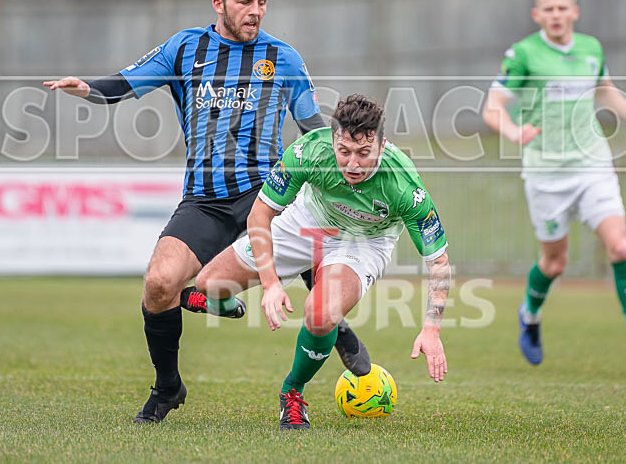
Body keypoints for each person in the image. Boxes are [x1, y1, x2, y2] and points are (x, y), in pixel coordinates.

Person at [43, 0, 370, 424]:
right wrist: (87, 88)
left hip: (268, 193)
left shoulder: (284, 57)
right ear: (219, 4)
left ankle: (336, 332)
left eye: (262, 3)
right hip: (205, 200)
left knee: (314, 263)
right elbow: (126, 82)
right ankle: (168, 386)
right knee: (159, 285)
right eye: (245, 2)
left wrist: (344, 171)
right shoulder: (185, 49)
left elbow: (314, 130)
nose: (255, 12)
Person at [193, 94, 451, 430]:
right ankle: (231, 307)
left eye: (364, 153)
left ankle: (293, 391)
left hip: (364, 241)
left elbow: (439, 262)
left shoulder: (404, 186)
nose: (353, 164)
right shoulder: (309, 151)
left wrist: (431, 329)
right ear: (332, 141)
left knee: (320, 315)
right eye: (344, 152)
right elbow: (260, 214)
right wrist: (270, 284)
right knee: (207, 284)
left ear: (382, 146)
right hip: (308, 220)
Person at [482, 0, 626, 369]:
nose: (556, 14)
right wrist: (515, 131)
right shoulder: (522, 54)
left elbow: (604, 89)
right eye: (548, 9)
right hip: (546, 174)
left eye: (562, 7)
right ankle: (530, 316)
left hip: (592, 166)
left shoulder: (591, 48)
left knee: (619, 246)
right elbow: (492, 107)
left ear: (575, 11)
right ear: (537, 15)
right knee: (555, 263)